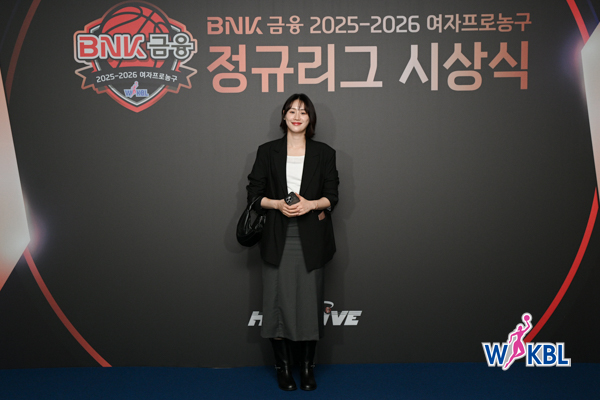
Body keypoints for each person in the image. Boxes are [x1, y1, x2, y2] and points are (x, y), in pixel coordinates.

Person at [246, 93, 339, 391]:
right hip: (277, 236)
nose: (297, 116)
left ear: (310, 119)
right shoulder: (267, 151)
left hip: (311, 237)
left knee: (310, 304)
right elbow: (254, 194)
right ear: (284, 116)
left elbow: (332, 196)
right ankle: (283, 368)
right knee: (276, 303)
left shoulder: (325, 153)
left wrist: (310, 204)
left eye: (303, 112)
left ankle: (308, 369)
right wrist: (277, 204)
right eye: (292, 111)